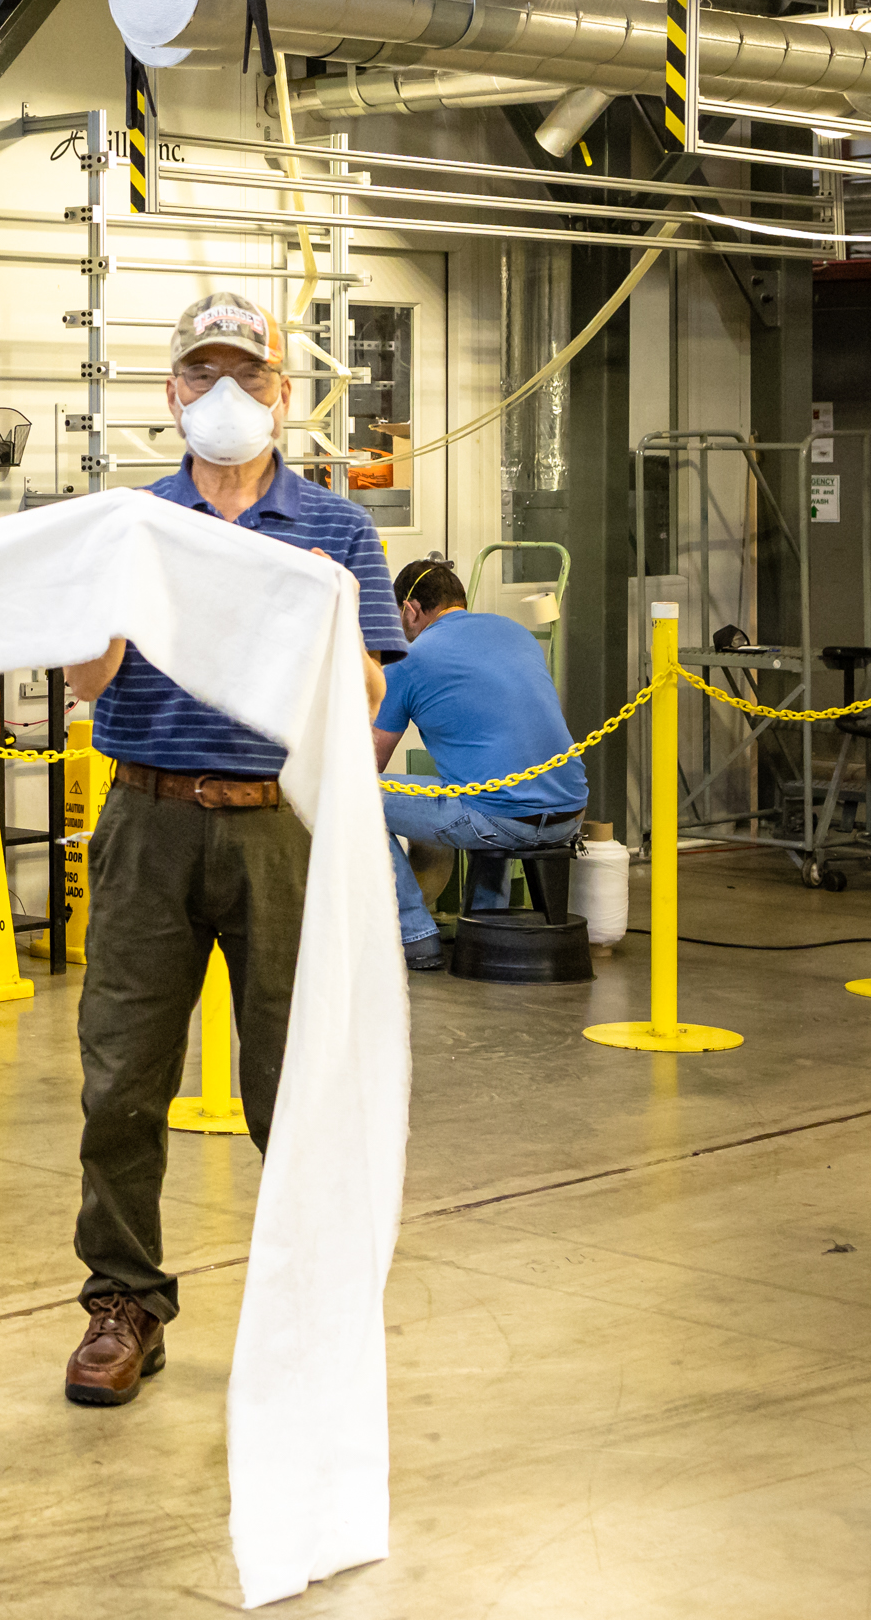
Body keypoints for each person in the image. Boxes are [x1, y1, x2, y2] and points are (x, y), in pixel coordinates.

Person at [57, 291, 407, 1408]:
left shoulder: (336, 529)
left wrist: (325, 617)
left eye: (246, 376)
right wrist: (91, 615)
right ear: (169, 395)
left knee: (291, 1081)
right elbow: (87, 682)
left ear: (282, 394)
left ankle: (312, 1308)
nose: (225, 395)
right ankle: (123, 1303)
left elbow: (367, 693)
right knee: (121, 1076)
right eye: (202, 374)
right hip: (148, 821)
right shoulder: (130, 525)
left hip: (278, 827)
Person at [372, 559, 586, 970]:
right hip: (570, 813)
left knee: (351, 795)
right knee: (485, 786)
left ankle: (414, 935)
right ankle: (485, 923)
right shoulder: (517, 634)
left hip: (499, 818)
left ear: (410, 610)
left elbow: (368, 765)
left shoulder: (409, 659)